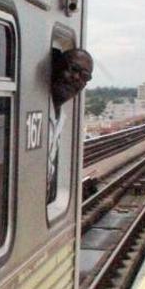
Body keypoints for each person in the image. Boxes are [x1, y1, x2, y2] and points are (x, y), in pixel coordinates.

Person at [47, 48, 93, 204]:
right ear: (57, 67)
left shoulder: (61, 118)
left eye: (84, 76)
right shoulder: (35, 109)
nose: (76, 78)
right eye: (73, 69)